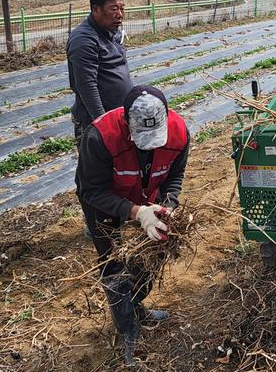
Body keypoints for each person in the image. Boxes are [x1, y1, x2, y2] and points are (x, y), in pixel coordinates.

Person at [75, 85, 190, 366]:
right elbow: (91, 191)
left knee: (156, 248)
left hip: (147, 195)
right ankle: (128, 330)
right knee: (112, 261)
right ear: (126, 122)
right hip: (105, 199)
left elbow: (175, 176)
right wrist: (136, 212)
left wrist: (166, 206)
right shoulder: (100, 137)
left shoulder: (179, 133)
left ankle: (135, 304)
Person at [67, 0, 133, 142]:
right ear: (96, 9)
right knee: (96, 166)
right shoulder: (84, 40)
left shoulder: (110, 31)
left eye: (122, 9)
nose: (120, 15)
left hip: (118, 115)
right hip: (97, 122)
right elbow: (86, 86)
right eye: (114, 9)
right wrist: (103, 123)